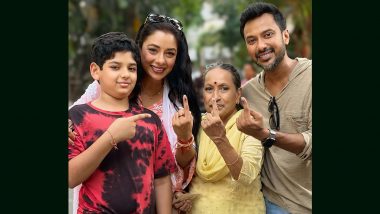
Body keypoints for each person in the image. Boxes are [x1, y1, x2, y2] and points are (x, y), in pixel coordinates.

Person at [69, 13, 201, 213]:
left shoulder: (178, 102)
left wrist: (184, 138)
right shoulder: (101, 91)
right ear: (139, 49)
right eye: (153, 50)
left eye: (170, 53)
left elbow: (167, 172)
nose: (160, 60)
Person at [237, 2, 312, 214]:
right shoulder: (247, 94)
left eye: (268, 35)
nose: (260, 46)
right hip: (273, 202)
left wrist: (267, 134)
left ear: (285, 36)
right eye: (251, 40)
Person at [189, 62, 265, 213]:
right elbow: (186, 173)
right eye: (209, 89)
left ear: (237, 95)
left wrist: (220, 139)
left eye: (224, 88)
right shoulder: (197, 124)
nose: (215, 97)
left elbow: (246, 176)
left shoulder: (248, 127)